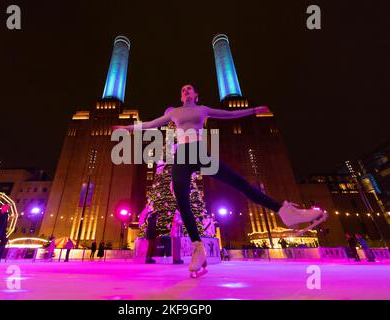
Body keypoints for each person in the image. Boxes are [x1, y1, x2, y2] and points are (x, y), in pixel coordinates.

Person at [114, 84, 328, 278]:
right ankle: (198, 248)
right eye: (182, 90)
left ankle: (284, 211)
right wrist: (127, 129)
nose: (186, 92)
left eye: (189, 89)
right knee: (181, 197)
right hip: (182, 156)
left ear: (196, 95)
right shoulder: (176, 113)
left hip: (200, 153)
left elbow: (230, 114)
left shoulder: (203, 109)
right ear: (180, 97)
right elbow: (151, 124)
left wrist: (253, 111)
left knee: (240, 184)